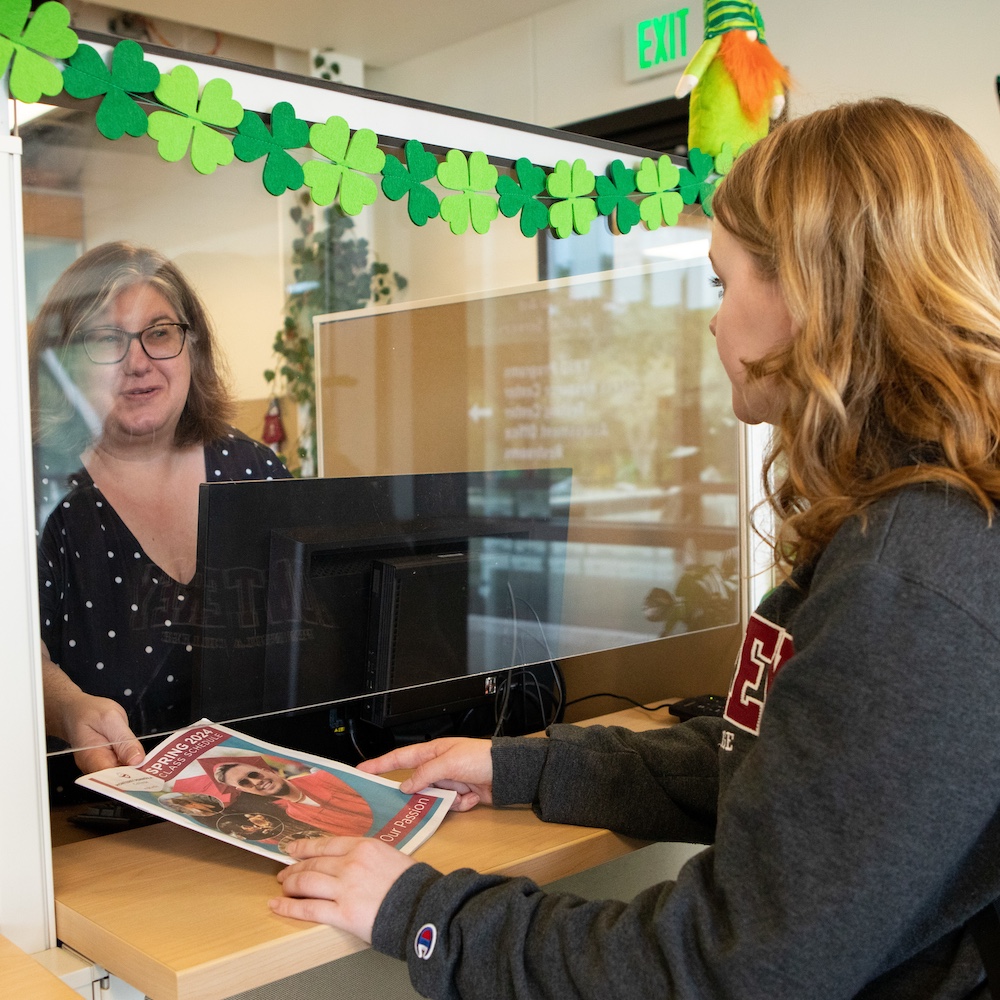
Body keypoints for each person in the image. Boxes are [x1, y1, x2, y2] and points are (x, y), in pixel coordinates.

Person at [269, 98, 1000, 997]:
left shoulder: (915, 575)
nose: (712, 320)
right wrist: (520, 765)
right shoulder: (919, 527)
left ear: (812, 295)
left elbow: (719, 969)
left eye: (724, 285)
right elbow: (799, 769)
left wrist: (426, 916)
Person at [31, 241, 291, 778]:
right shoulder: (34, 488)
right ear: (64, 362)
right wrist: (66, 708)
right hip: (90, 824)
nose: (139, 362)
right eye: (107, 338)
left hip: (257, 793)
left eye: (160, 332)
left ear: (191, 347)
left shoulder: (252, 469)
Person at [212, 760, 374, 837]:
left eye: (254, 774)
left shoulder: (325, 778)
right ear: (245, 791)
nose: (256, 781)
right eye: (245, 782)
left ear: (267, 771)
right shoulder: (295, 813)